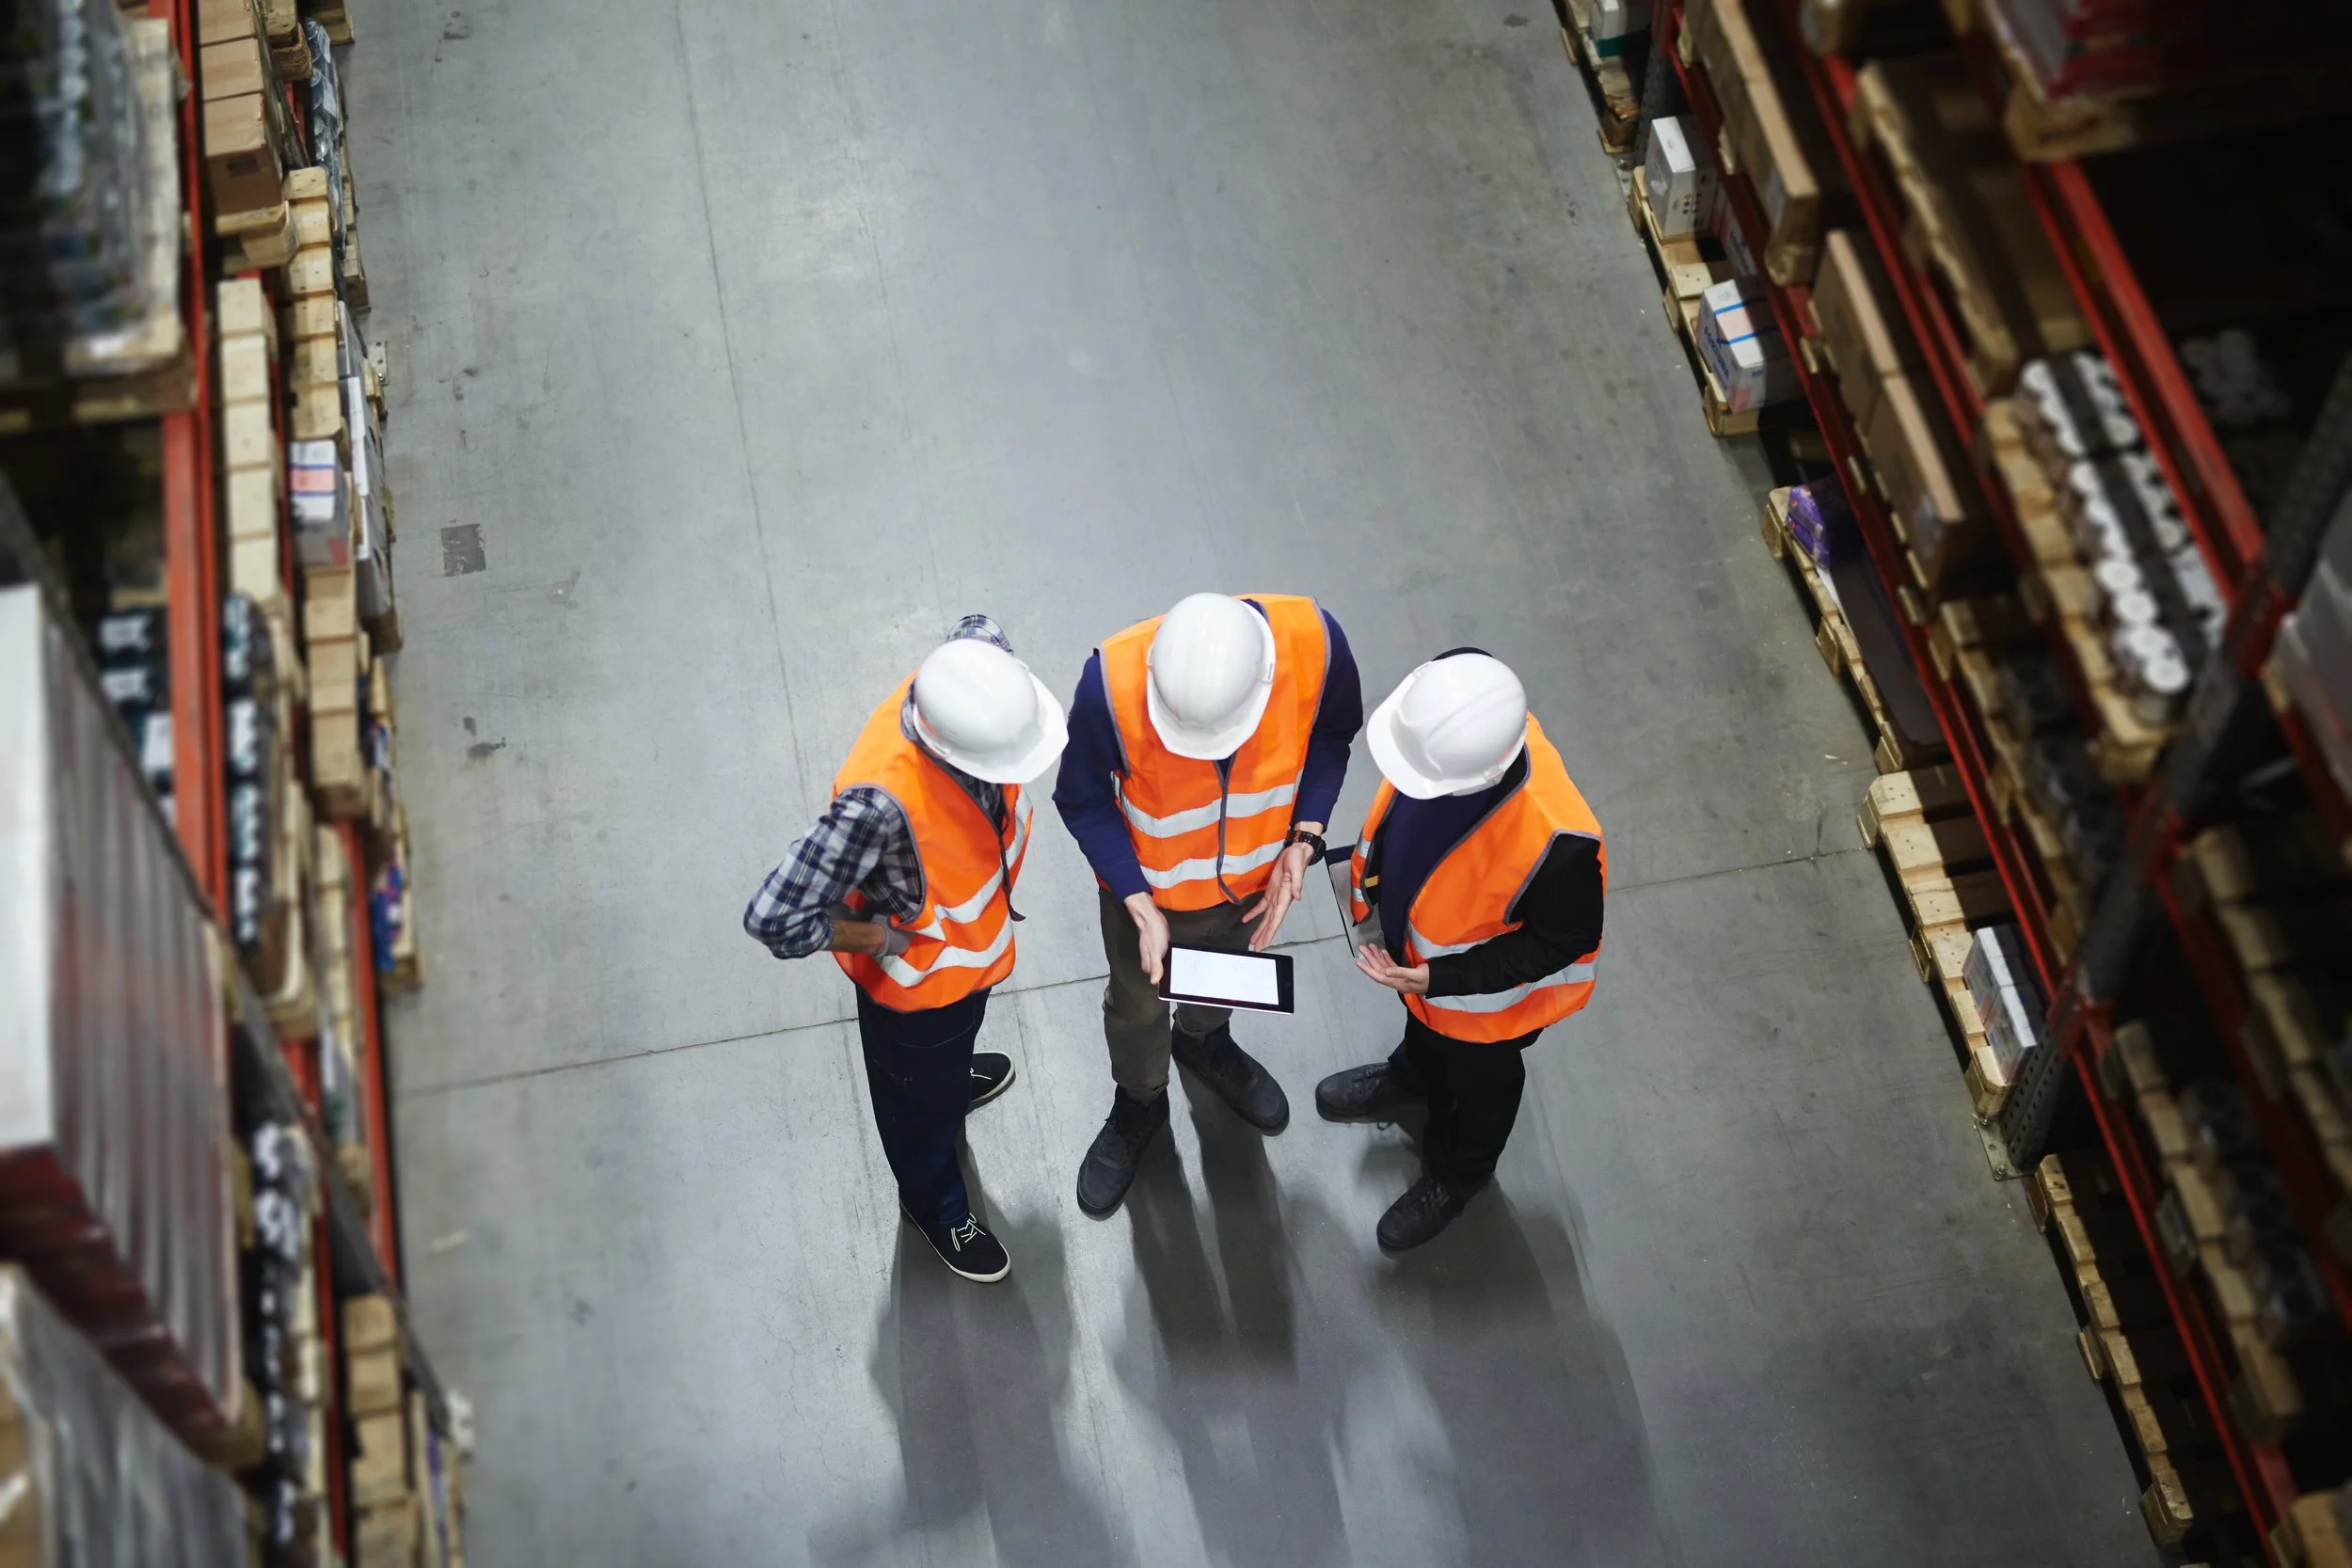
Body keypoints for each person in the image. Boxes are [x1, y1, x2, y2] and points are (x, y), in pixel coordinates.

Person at [743, 617, 1066, 1283]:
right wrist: (880, 938)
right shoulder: (877, 808)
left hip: (968, 966)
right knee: (917, 1106)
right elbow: (774, 915)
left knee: (946, 1064)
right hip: (915, 997)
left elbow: (979, 623)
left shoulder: (977, 659)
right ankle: (933, 1202)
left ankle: (947, 1086)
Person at [1055, 592, 1363, 1216]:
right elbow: (1082, 797)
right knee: (1137, 1005)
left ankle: (1204, 1040)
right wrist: (1135, 898)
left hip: (1256, 879)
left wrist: (1304, 840)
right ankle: (1139, 1101)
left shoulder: (1316, 646)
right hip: (1146, 896)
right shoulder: (1109, 683)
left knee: (1222, 978)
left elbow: (1334, 732)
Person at [1317, 650, 1605, 1251]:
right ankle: (1413, 1075)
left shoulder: (1561, 842)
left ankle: (1459, 1174)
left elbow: (1565, 938)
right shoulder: (1458, 708)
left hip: (1484, 1007)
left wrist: (1442, 978)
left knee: (1482, 1083)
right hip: (1421, 970)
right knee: (1426, 1035)